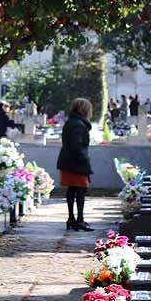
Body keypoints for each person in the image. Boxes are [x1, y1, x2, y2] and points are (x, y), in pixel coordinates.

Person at [57, 98, 94, 231]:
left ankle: (72, 219)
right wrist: (84, 160)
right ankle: (79, 220)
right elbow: (76, 144)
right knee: (80, 191)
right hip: (76, 162)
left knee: (72, 190)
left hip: (68, 161)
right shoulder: (78, 124)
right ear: (84, 109)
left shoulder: (72, 121)